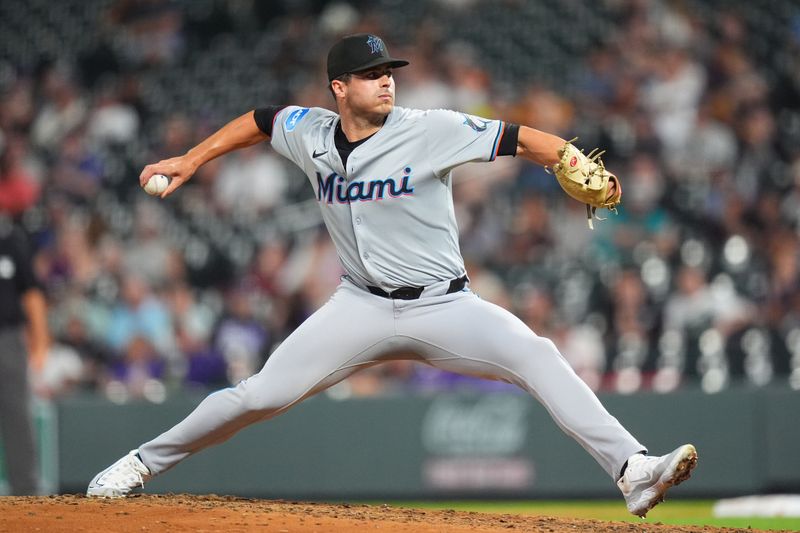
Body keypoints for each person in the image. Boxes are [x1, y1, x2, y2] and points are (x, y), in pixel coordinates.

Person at [86, 34, 697, 517]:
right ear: (339, 88)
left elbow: (517, 138)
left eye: (389, 73)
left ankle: (633, 470)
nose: (386, 82)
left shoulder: (430, 128)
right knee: (259, 395)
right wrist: (192, 160)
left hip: (445, 307)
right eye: (372, 75)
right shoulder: (309, 132)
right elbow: (259, 118)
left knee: (537, 354)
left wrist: (564, 155)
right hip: (359, 308)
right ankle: (138, 464)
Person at [0, 216, 50, 495]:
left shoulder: (8, 242)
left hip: (7, 339)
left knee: (17, 415)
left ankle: (25, 494)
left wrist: (40, 342)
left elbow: (32, 292)